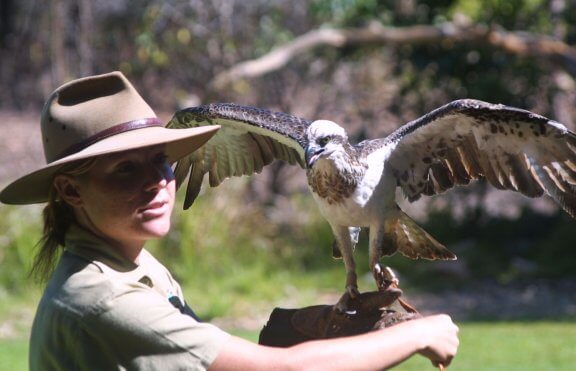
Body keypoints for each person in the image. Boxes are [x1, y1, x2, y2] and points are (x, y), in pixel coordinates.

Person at [0, 71, 459, 370]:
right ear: (70, 191)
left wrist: (311, 330)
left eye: (162, 161)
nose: (160, 181)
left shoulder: (134, 268)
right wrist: (420, 332)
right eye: (126, 169)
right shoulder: (101, 298)